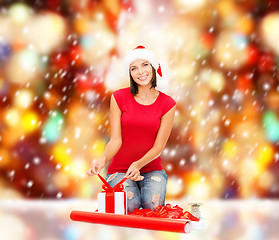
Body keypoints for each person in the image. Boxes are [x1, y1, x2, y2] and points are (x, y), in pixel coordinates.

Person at [87, 45, 176, 213]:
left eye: (144, 65)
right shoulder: (118, 98)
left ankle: (145, 191)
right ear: (130, 73)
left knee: (153, 207)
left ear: (153, 67)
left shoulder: (168, 104)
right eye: (133, 68)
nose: (140, 72)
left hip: (151, 169)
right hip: (120, 170)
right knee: (129, 207)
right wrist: (102, 160)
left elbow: (159, 147)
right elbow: (115, 140)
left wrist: (138, 164)